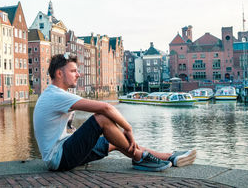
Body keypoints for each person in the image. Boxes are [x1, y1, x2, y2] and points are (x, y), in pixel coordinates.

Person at [33, 53, 196, 172]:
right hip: (59, 157)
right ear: (59, 73)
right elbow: (106, 108)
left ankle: (169, 157)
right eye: (73, 71)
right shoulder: (55, 95)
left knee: (116, 141)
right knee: (102, 118)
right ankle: (140, 158)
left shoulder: (56, 94)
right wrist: (128, 128)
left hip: (64, 150)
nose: (78, 74)